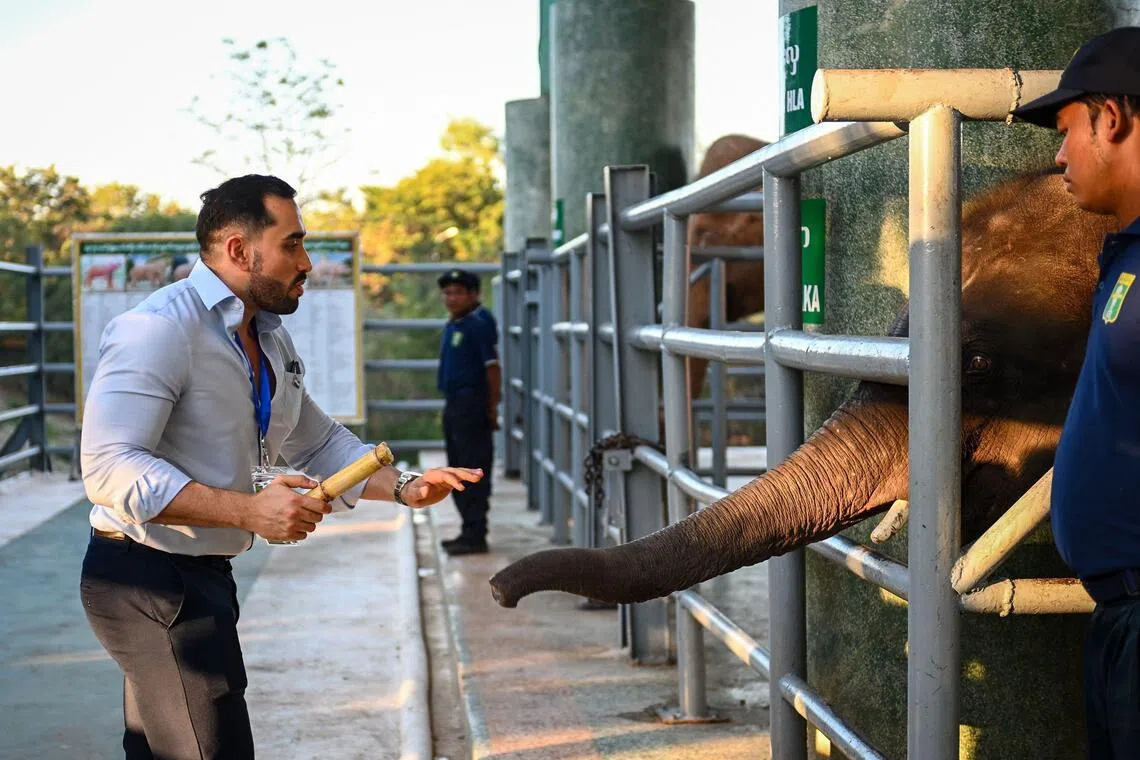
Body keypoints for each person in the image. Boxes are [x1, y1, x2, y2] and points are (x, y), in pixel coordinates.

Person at [79, 174, 483, 759]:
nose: (308, 262)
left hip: (199, 577)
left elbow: (318, 443)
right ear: (240, 251)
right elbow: (109, 466)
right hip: (146, 582)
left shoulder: (267, 339)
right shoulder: (159, 328)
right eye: (292, 243)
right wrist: (248, 510)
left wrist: (405, 487)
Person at [1013, 26, 1140, 759]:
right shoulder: (1126, 253)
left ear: (1111, 118)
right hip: (1119, 619)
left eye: (1066, 131)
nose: (1058, 156)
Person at [436, 268, 500, 555]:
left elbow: (492, 369)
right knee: (457, 466)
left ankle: (475, 534)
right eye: (447, 292)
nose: (451, 298)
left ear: (474, 294)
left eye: (459, 292)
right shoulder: (456, 323)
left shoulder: (478, 323)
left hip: (472, 406)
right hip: (454, 406)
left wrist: (492, 409)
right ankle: (467, 530)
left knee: (472, 470)